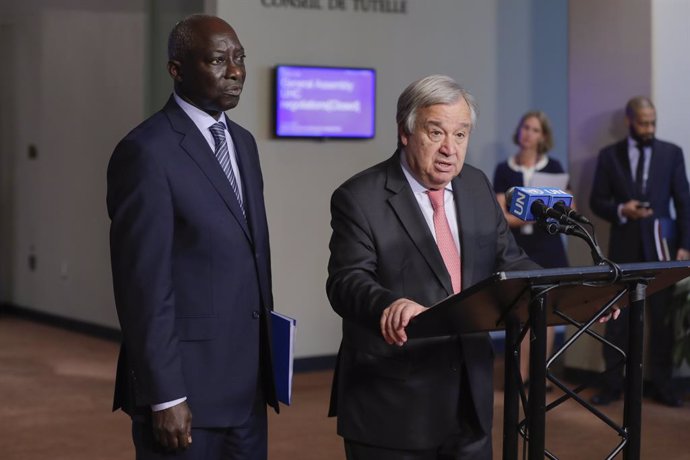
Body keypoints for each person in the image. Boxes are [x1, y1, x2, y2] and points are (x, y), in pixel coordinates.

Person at [326, 75, 540, 460]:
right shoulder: (359, 196)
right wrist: (388, 304)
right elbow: (347, 280)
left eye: (460, 135)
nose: (449, 149)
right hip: (392, 403)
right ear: (405, 132)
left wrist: (573, 290)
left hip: (469, 403)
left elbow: (510, 261)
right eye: (436, 132)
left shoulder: (475, 186)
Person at [107, 14, 278, 459]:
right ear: (177, 69)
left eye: (239, 59)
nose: (236, 71)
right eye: (218, 60)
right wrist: (165, 395)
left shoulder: (242, 143)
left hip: (246, 391)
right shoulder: (146, 152)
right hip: (185, 396)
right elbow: (142, 287)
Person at [589, 96, 690, 408]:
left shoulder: (672, 153)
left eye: (653, 122)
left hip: (662, 248)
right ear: (629, 121)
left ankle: (663, 385)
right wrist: (622, 209)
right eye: (643, 122)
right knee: (618, 317)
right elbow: (596, 200)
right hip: (623, 248)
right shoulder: (609, 156)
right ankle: (611, 384)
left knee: (661, 319)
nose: (649, 128)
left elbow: (684, 202)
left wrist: (685, 245)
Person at [493, 111, 569, 389]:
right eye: (525, 127)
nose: (527, 133)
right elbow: (502, 215)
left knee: (546, 312)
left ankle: (540, 373)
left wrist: (529, 212)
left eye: (534, 129)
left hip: (548, 248)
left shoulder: (554, 165)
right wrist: (539, 212)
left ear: (543, 136)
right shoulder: (505, 169)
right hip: (516, 248)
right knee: (522, 310)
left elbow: (566, 209)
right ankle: (521, 373)